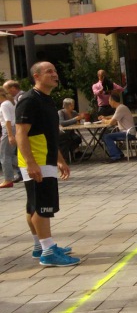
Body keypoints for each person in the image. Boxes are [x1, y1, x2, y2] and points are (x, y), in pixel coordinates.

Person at [17, 62, 78, 267]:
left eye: (55, 70)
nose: (55, 74)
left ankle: (40, 246)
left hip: (46, 159)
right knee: (43, 206)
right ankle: (48, 251)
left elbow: (50, 134)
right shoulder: (29, 100)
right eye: (49, 71)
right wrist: (31, 162)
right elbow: (20, 134)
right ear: (36, 76)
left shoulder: (47, 100)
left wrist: (60, 160)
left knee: (33, 205)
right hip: (37, 160)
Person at [99, 92, 136, 162]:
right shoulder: (120, 107)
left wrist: (104, 120)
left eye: (109, 101)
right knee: (105, 136)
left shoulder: (120, 108)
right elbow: (114, 120)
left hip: (128, 132)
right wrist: (105, 118)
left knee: (106, 137)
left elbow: (112, 122)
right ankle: (118, 154)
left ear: (113, 101)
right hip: (125, 131)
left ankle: (115, 156)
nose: (109, 103)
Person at [1, 80, 20, 187]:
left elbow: (7, 120)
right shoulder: (12, 102)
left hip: (8, 129)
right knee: (11, 155)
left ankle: (8, 179)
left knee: (4, 155)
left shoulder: (4, 104)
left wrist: (9, 135)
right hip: (15, 128)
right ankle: (27, 166)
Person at [57, 97, 83, 163]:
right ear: (68, 105)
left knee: (77, 138)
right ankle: (66, 158)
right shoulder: (61, 112)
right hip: (62, 132)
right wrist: (74, 119)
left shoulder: (74, 112)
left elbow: (78, 121)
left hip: (71, 132)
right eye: (72, 105)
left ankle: (75, 154)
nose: (73, 106)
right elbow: (62, 123)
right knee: (65, 139)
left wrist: (79, 119)